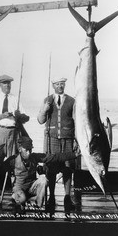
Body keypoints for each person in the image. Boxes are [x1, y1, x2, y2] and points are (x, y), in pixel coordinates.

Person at [1, 136, 80, 213]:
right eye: (26, 150)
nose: (29, 153)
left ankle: (38, 206)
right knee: (22, 198)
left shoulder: (34, 157)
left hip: (32, 187)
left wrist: (74, 155)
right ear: (20, 149)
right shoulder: (12, 160)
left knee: (43, 180)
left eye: (30, 150)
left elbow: (55, 157)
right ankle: (18, 202)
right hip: (19, 188)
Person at [37, 76, 76, 213]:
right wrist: (45, 109)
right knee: (51, 169)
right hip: (52, 139)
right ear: (53, 85)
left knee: (67, 168)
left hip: (67, 139)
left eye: (62, 84)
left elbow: (77, 121)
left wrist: (76, 140)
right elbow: (40, 120)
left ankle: (67, 197)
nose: (60, 86)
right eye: (57, 84)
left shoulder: (72, 101)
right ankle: (51, 197)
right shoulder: (47, 100)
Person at [0, 74, 30, 204]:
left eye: (9, 83)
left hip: (14, 133)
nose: (7, 86)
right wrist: (2, 115)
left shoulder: (15, 99)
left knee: (15, 163)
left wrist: (19, 116)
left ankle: (15, 192)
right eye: (5, 83)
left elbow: (26, 118)